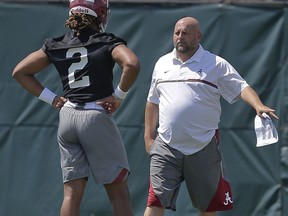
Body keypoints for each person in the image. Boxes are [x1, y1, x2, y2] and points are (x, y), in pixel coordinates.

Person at [12, 0, 140, 216]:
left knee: (71, 194)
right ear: (99, 13)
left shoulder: (56, 43)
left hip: (67, 116)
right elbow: (132, 64)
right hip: (95, 116)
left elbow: (20, 71)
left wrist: (51, 99)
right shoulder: (105, 41)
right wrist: (118, 97)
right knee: (119, 192)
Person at [143, 16, 278, 216]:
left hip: (203, 146)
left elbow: (241, 87)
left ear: (198, 36)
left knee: (208, 208)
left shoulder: (216, 64)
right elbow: (152, 102)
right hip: (166, 147)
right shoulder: (162, 63)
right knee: (155, 203)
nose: (180, 37)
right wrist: (148, 137)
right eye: (177, 32)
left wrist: (257, 105)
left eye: (185, 33)